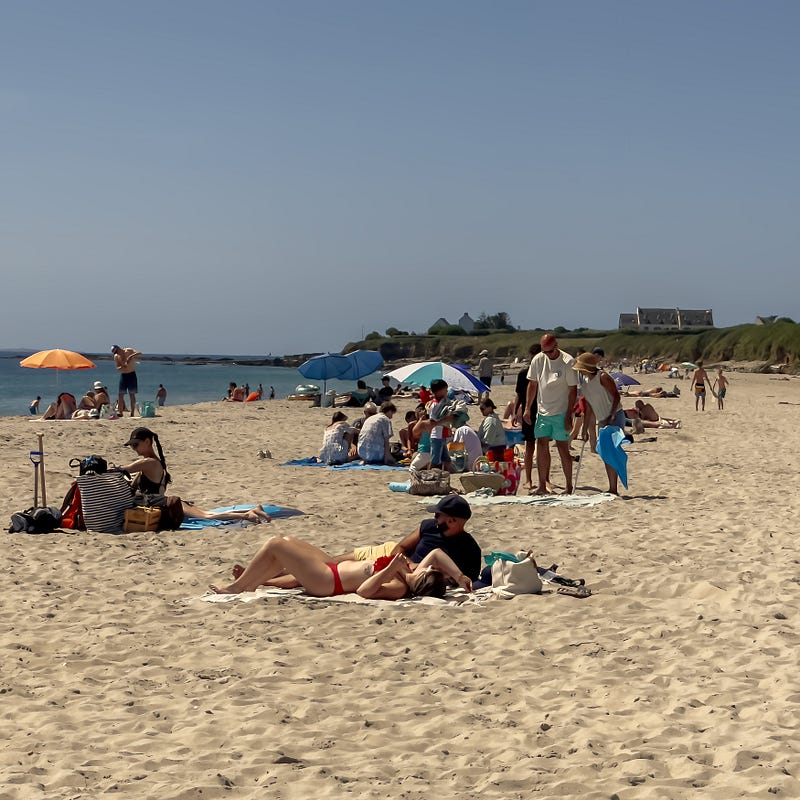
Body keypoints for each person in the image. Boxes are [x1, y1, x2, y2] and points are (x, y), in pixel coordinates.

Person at [210, 539, 469, 599]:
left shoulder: (399, 586)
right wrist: (459, 576)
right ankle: (253, 581)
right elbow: (436, 554)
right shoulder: (410, 572)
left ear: (421, 581)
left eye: (427, 571)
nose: (426, 567)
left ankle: (238, 587)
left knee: (276, 545)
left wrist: (389, 570)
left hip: (327, 581)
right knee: (286, 544)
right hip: (331, 568)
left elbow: (365, 592)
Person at [119, 427, 272, 528]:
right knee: (209, 514)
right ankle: (253, 509)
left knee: (209, 516)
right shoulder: (153, 462)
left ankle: (247, 514)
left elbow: (125, 469)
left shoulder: (149, 462)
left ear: (147, 442)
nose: (134, 449)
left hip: (166, 505)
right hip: (170, 502)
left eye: (135, 445)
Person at [522, 333, 578, 495]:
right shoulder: (538, 360)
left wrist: (569, 415)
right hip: (543, 410)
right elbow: (532, 385)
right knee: (541, 446)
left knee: (562, 448)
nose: (547, 355)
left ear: (556, 346)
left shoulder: (568, 362)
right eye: (545, 352)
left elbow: (572, 390)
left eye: (550, 352)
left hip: (561, 411)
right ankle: (541, 485)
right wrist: (527, 408)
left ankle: (568, 486)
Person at [572, 353, 625, 494]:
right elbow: (589, 406)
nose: (579, 371)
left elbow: (616, 396)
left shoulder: (603, 377)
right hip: (602, 419)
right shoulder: (585, 382)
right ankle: (612, 487)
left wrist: (612, 415)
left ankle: (613, 488)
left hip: (615, 416)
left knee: (611, 452)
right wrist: (585, 429)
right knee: (606, 454)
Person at [513, 344, 541, 490]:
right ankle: (528, 479)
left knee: (543, 446)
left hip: (543, 413)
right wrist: (514, 412)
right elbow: (519, 395)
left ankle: (545, 480)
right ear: (531, 355)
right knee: (529, 446)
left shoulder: (545, 372)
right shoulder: (524, 374)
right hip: (528, 413)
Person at [428, 379, 456, 471]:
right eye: (445, 389)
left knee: (446, 460)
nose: (447, 391)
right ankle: (428, 481)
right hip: (437, 436)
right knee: (435, 462)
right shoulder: (434, 405)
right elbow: (432, 423)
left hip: (443, 436)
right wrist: (446, 419)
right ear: (439, 391)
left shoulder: (443, 403)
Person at [111, 344, 141, 417]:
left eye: (116, 351)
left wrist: (131, 357)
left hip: (131, 374)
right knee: (120, 394)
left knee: (132, 394)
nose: (116, 353)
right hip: (124, 375)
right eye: (115, 352)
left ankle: (132, 412)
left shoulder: (128, 350)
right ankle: (120, 412)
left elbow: (139, 353)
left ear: (118, 348)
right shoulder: (116, 356)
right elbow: (118, 367)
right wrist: (122, 366)